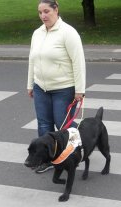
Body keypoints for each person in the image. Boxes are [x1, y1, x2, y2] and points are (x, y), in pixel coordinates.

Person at [27, 0, 86, 173]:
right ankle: (46, 159)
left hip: (64, 88)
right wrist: (30, 84)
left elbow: (78, 62)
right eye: (40, 12)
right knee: (44, 125)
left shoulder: (68, 32)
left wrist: (80, 90)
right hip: (41, 88)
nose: (43, 16)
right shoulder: (37, 33)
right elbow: (32, 60)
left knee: (63, 124)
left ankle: (78, 149)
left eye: (46, 11)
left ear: (56, 10)